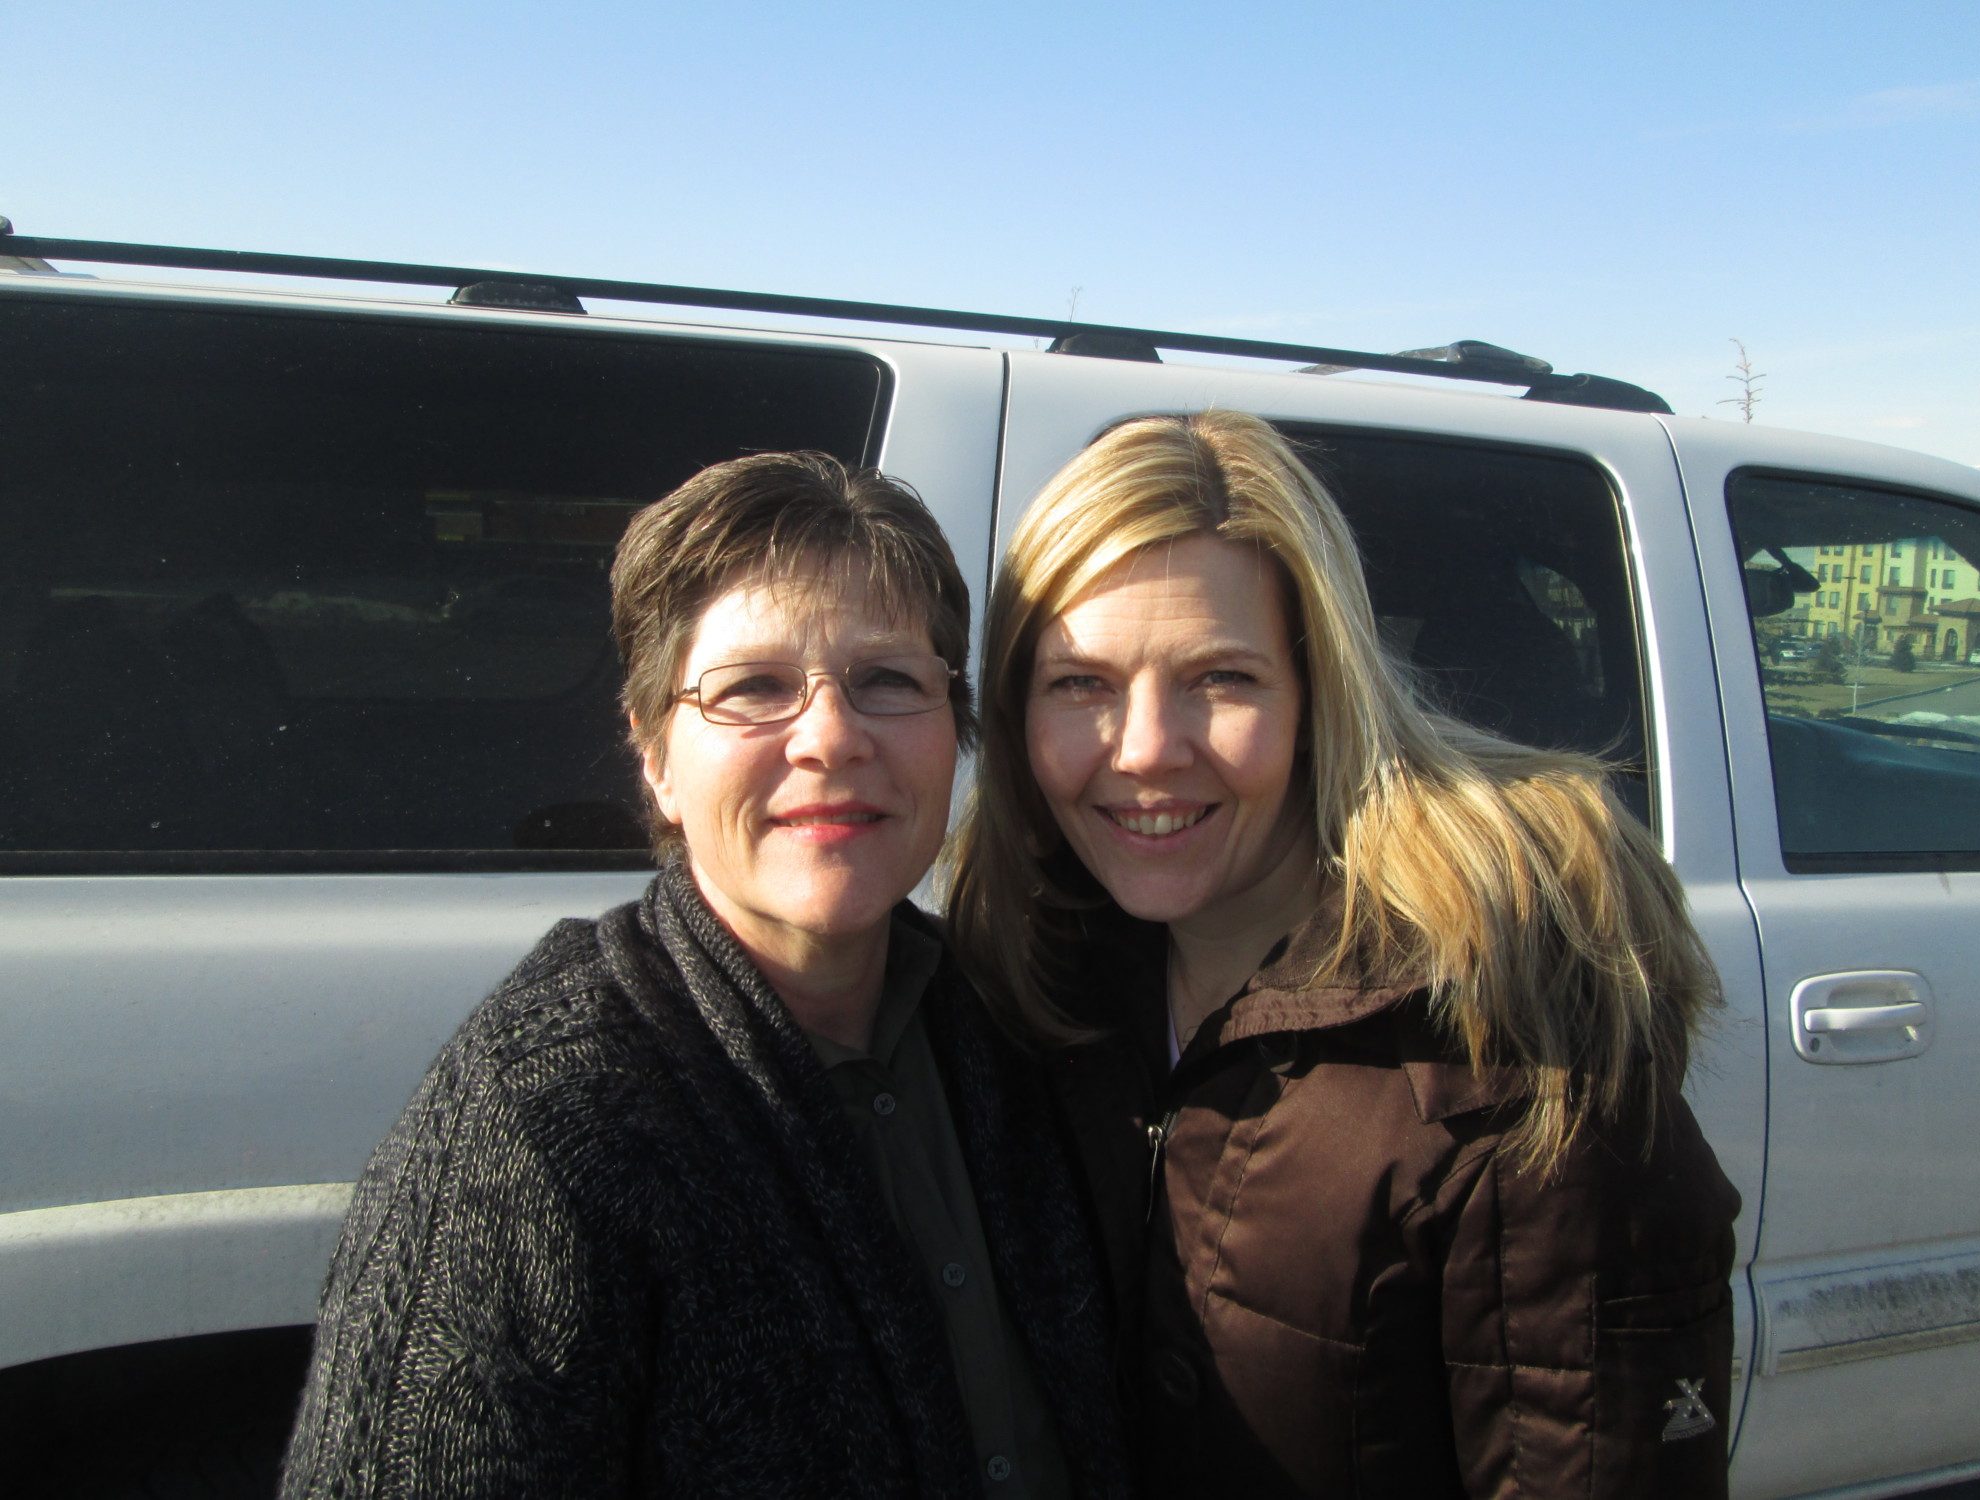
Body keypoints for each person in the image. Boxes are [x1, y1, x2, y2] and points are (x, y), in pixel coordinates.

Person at [282, 453, 1130, 1499]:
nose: (831, 738)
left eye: (888, 681)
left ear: (954, 730)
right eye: (752, 688)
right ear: (655, 757)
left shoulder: (1009, 1024)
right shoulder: (544, 1116)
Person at [949, 411, 1740, 1498]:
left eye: (1221, 678)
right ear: (1013, 712)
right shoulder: (1034, 989)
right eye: (1080, 683)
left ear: (1319, 698)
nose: (1144, 750)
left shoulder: (1510, 1053)